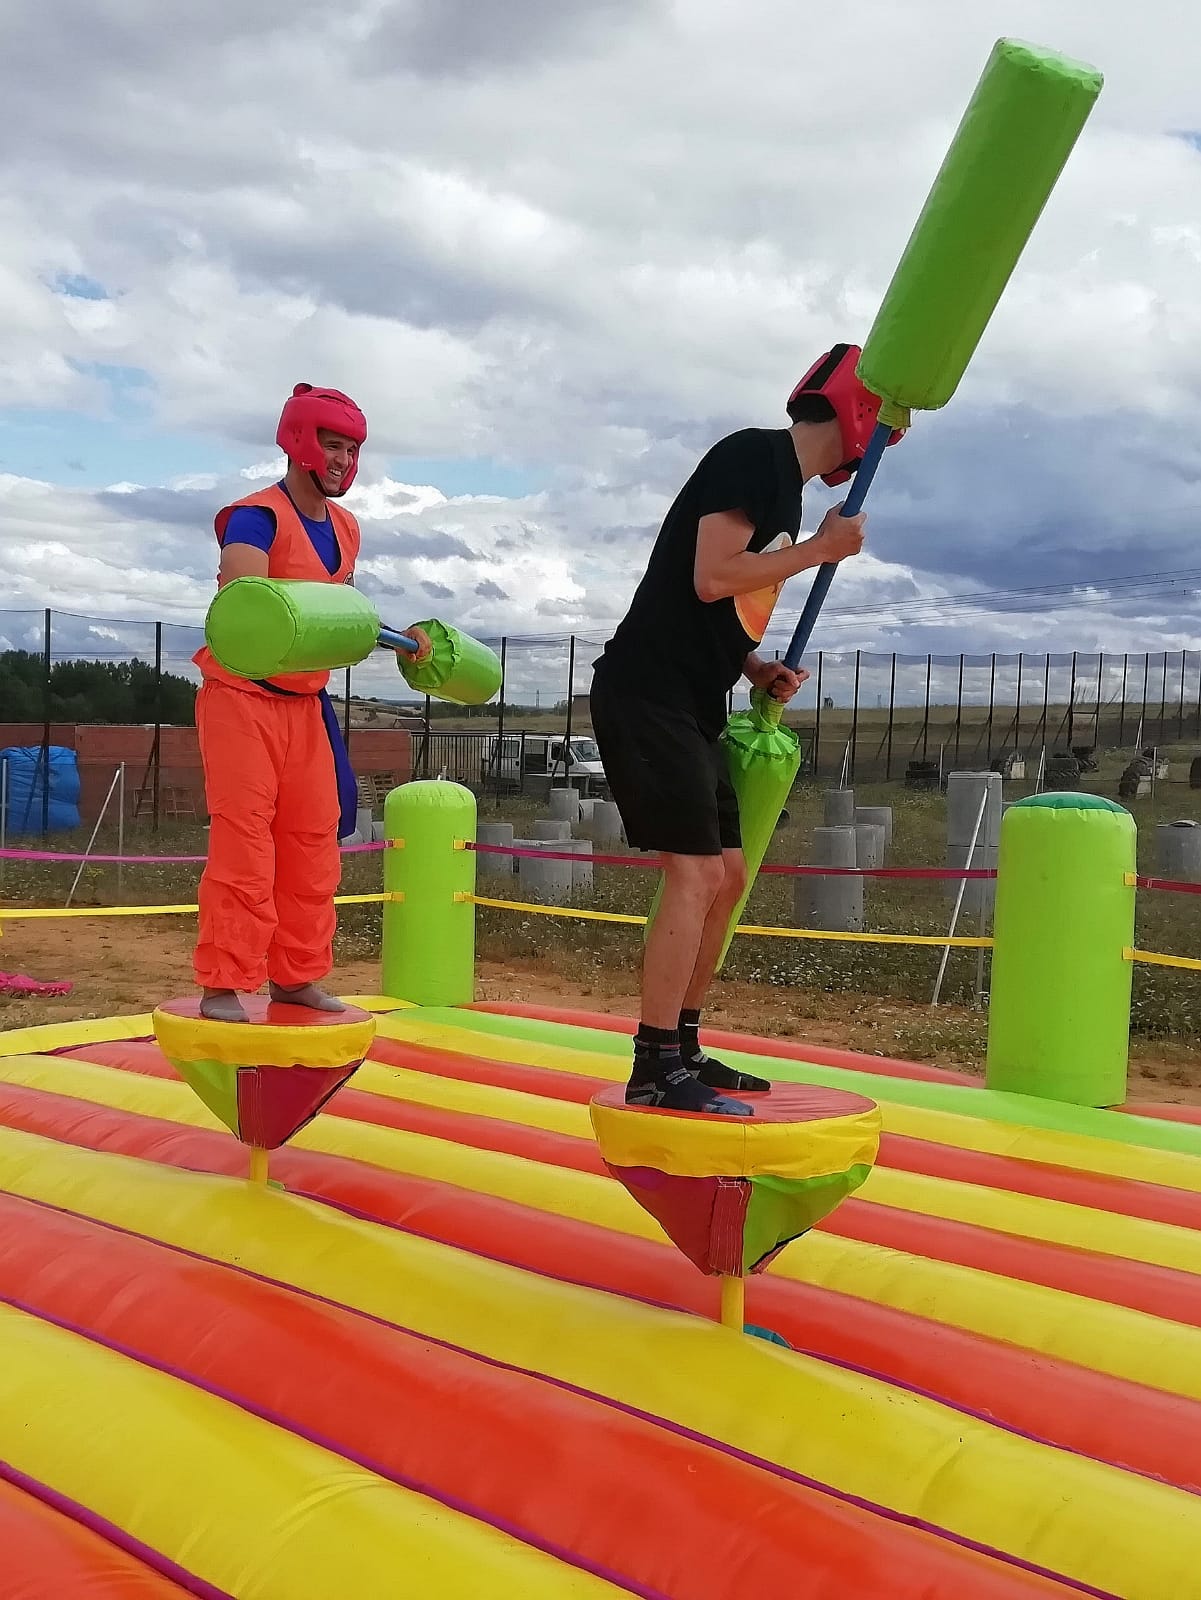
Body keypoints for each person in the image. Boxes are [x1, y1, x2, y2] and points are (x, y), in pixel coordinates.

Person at [590, 345, 904, 1114]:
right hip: (645, 691)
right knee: (695, 874)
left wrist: (755, 666)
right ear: (859, 411)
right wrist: (820, 551)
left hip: (696, 703)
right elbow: (711, 575)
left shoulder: (783, 492)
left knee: (727, 876)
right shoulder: (752, 456)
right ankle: (653, 1067)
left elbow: (718, 608)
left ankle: (683, 1044)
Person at [192, 383, 429, 1023]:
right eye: (332, 444)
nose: (343, 460)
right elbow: (244, 606)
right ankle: (224, 983)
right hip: (241, 698)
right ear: (299, 442)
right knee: (245, 843)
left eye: (351, 449)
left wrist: (400, 639)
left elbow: (338, 613)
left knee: (313, 842)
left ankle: (296, 978)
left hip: (305, 703)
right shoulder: (254, 519)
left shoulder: (347, 529)